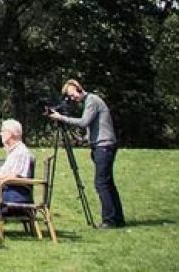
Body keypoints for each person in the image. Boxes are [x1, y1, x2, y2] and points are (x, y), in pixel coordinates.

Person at [48, 78, 125, 228]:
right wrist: (84, 138)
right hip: (103, 145)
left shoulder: (92, 100)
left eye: (73, 94)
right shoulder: (90, 101)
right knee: (108, 183)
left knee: (101, 183)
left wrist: (60, 117)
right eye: (70, 97)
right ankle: (118, 218)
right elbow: (93, 126)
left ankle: (109, 220)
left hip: (104, 146)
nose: (73, 98)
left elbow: (84, 122)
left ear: (79, 88)